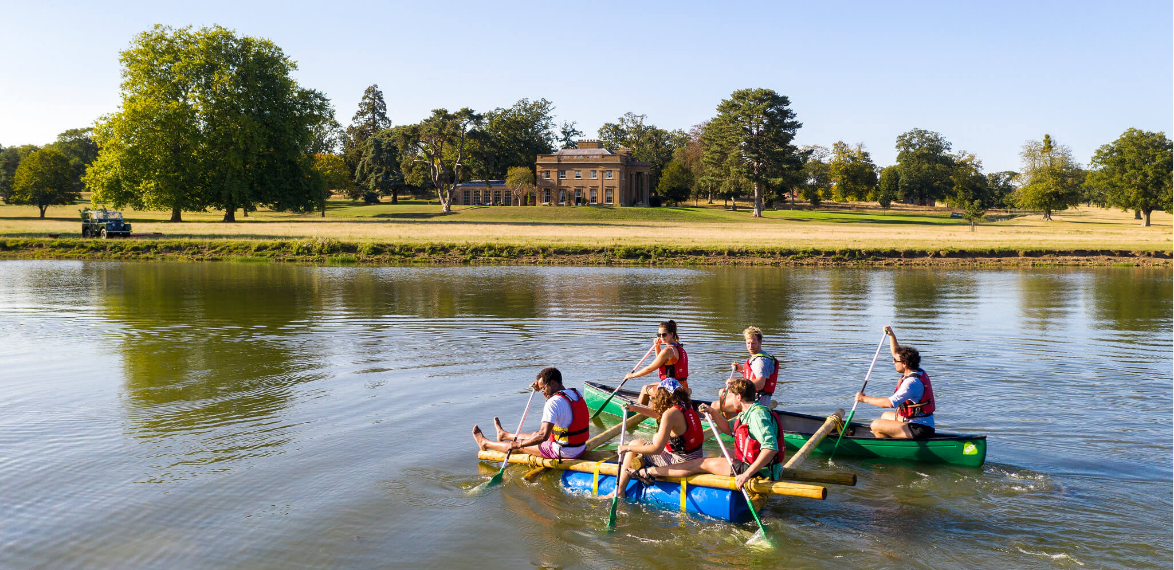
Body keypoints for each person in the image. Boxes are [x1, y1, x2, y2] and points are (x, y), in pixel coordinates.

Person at [634, 378, 784, 491]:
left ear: (738, 397)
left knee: (702, 463)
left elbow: (770, 448)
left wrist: (746, 474)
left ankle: (650, 471)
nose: (725, 400)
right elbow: (727, 428)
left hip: (759, 471)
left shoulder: (757, 416)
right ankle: (726, 488)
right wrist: (713, 412)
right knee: (723, 455)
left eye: (729, 396)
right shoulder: (747, 413)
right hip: (758, 466)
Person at [472, 367, 588, 460]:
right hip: (580, 447)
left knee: (519, 446)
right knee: (534, 434)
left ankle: (485, 443)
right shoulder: (575, 393)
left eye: (543, 388)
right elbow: (558, 409)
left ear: (552, 383)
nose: (542, 391)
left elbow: (543, 436)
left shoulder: (553, 402)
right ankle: (504, 435)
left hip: (564, 452)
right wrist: (543, 389)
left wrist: (519, 444)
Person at [612, 378, 705, 494]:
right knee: (656, 436)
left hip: (681, 462)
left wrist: (627, 448)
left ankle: (619, 491)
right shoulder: (686, 406)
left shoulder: (670, 414)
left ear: (663, 395)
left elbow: (657, 449)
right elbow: (660, 414)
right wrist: (635, 408)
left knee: (634, 444)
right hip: (696, 456)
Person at [854, 326, 936, 439]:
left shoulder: (911, 383)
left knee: (876, 425)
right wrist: (891, 335)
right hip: (917, 421)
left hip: (920, 429)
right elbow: (896, 353)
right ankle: (892, 439)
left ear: (904, 364)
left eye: (895, 361)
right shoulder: (917, 371)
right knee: (885, 416)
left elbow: (890, 403)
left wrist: (864, 399)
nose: (893, 362)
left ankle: (885, 450)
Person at [625, 320, 689, 405]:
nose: (661, 337)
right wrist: (657, 346)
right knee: (652, 385)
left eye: (664, 334)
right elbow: (660, 362)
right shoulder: (679, 347)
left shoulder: (668, 351)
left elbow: (650, 368)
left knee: (645, 388)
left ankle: (639, 411)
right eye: (659, 335)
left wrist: (632, 375)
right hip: (683, 387)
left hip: (673, 390)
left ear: (671, 334)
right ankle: (658, 406)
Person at [730, 326, 779, 406]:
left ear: (760, 342)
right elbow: (753, 376)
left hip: (756, 401)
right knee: (723, 392)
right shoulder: (758, 358)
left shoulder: (760, 361)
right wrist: (742, 370)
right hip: (752, 396)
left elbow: (760, 384)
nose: (750, 347)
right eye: (748, 343)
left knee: (716, 404)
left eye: (753, 343)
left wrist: (736, 382)